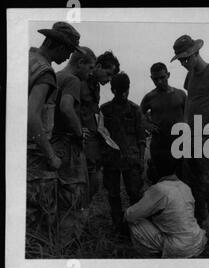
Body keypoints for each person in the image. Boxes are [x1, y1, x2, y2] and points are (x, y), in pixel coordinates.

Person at [26, 21, 84, 256]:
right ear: (53, 43)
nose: (68, 55)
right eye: (67, 49)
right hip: (37, 156)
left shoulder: (26, 61)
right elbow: (32, 114)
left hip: (20, 152)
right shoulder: (46, 72)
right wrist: (51, 155)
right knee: (41, 223)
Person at [51, 46, 96, 247]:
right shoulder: (72, 80)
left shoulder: (56, 76)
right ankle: (67, 247)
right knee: (72, 198)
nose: (91, 72)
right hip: (68, 144)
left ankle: (54, 243)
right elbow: (67, 108)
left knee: (58, 198)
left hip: (53, 142)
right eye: (90, 67)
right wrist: (79, 133)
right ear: (80, 63)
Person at [125, 153, 207, 258]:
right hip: (198, 241)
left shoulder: (160, 189)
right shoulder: (184, 186)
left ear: (156, 170)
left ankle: (152, 254)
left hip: (179, 249)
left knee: (135, 222)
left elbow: (130, 215)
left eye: (151, 166)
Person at [170, 35, 209, 232]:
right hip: (190, 137)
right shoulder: (190, 76)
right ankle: (200, 226)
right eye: (180, 60)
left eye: (187, 58)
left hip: (208, 137)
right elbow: (191, 100)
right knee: (193, 183)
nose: (184, 63)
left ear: (197, 53)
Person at [100, 72, 146, 232]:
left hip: (131, 160)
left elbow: (141, 138)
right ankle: (118, 227)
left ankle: (137, 229)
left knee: (134, 193)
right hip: (111, 160)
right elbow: (101, 135)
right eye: (119, 90)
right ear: (112, 90)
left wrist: (141, 161)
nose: (123, 94)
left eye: (125, 90)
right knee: (113, 194)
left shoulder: (135, 110)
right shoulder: (104, 110)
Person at [80, 51, 120, 201]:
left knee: (93, 182)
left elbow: (91, 110)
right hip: (80, 140)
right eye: (108, 74)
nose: (109, 80)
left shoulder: (94, 85)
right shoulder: (79, 81)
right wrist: (78, 128)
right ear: (98, 66)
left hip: (92, 140)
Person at [140, 62, 186, 181]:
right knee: (161, 180)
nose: (159, 81)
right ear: (151, 78)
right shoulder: (150, 97)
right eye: (155, 79)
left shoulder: (181, 94)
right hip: (160, 146)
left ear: (168, 75)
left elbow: (190, 115)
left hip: (180, 144)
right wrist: (148, 125)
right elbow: (138, 115)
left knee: (183, 179)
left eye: (162, 77)